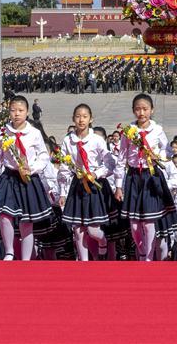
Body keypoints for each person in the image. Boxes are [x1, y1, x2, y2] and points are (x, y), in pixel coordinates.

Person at [0, 95, 55, 260]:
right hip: (9, 177)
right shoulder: (3, 132)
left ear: (27, 112)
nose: (16, 114)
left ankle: (26, 258)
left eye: (20, 110)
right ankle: (9, 251)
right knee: (4, 215)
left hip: (29, 179)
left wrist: (32, 169)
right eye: (13, 110)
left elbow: (44, 156)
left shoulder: (34, 133)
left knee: (27, 221)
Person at [113, 93, 177, 261]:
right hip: (134, 177)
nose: (141, 113)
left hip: (151, 177)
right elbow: (121, 159)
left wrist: (159, 155)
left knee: (149, 221)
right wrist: (119, 186)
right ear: (133, 111)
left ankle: (147, 257)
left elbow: (169, 150)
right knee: (135, 224)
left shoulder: (157, 130)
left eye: (145, 109)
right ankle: (142, 250)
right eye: (137, 109)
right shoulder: (128, 132)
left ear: (151, 110)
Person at [58, 104, 116, 261]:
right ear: (73, 119)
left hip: (93, 186)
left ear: (91, 119)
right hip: (77, 186)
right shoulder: (68, 140)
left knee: (93, 229)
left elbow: (109, 163)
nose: (81, 119)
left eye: (84, 116)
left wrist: (96, 174)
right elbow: (64, 167)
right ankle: (83, 262)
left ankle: (103, 241)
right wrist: (62, 192)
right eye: (78, 116)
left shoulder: (97, 140)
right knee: (78, 229)